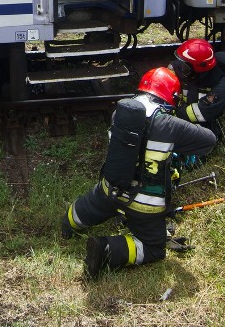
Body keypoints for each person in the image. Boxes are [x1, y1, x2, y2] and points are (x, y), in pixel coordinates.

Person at [60, 67, 216, 279]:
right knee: (154, 249)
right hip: (144, 205)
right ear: (172, 96)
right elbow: (209, 141)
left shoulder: (122, 112)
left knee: (91, 206)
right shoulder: (170, 124)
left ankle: (69, 224)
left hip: (110, 189)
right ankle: (105, 249)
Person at [169, 38, 225, 142]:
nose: (179, 67)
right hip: (180, 113)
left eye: (184, 66)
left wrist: (171, 115)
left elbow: (200, 113)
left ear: (197, 68)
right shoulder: (186, 70)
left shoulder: (220, 88)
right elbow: (170, 70)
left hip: (200, 123)